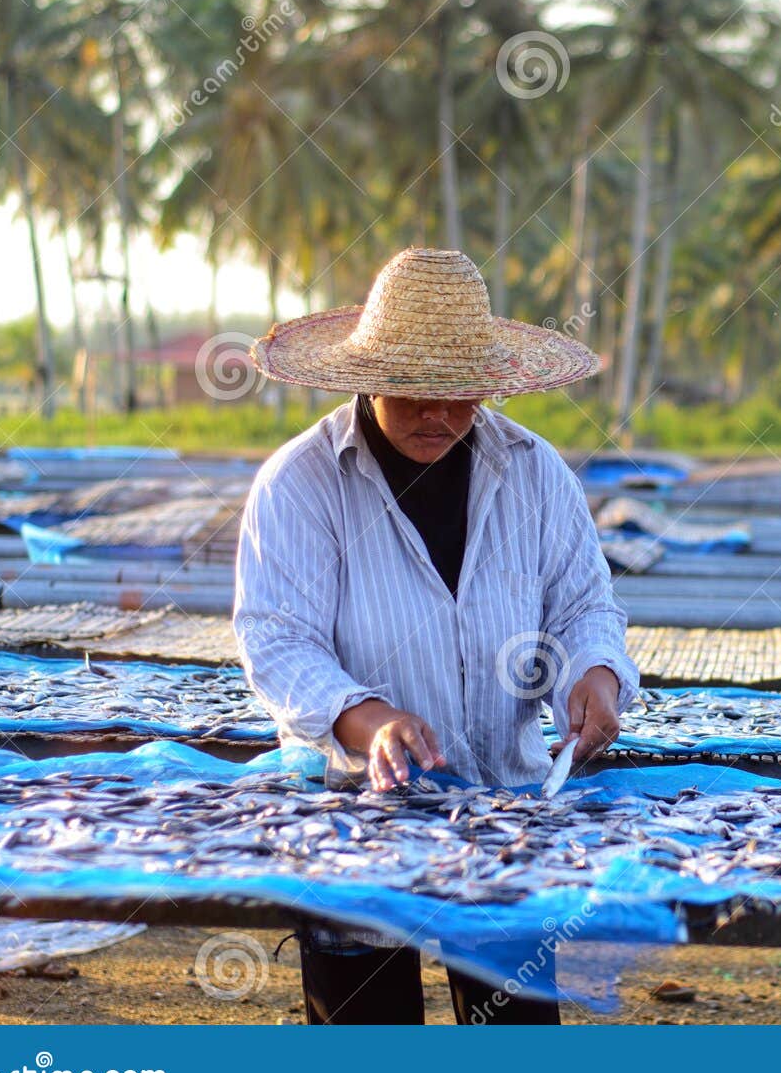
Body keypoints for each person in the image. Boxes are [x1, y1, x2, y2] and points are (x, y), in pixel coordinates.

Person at [233, 247, 639, 1024]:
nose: (438, 415)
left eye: (459, 393)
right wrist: (368, 719)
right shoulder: (301, 484)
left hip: (507, 806)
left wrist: (594, 675)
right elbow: (279, 641)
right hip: (354, 810)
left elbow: (585, 605)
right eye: (416, 389)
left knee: (515, 1043)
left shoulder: (536, 474)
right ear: (369, 374)